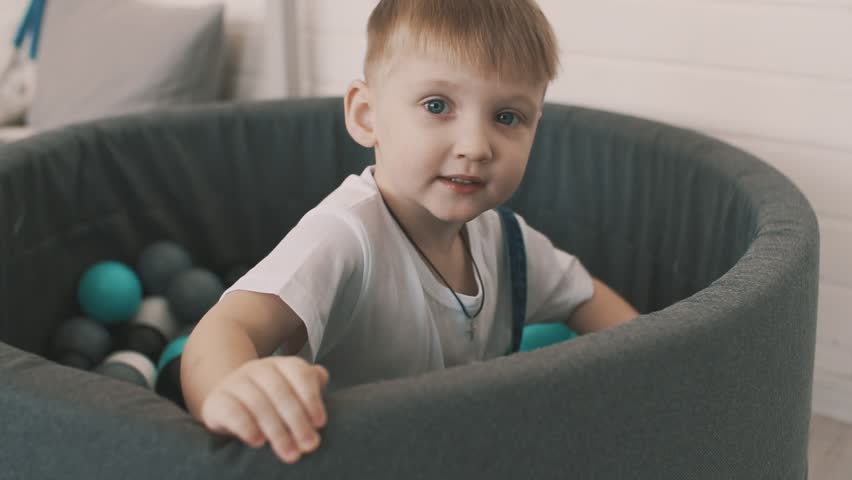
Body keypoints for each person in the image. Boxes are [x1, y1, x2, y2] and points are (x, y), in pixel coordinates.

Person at [181, 0, 638, 465]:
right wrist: (231, 386)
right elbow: (227, 326)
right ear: (366, 115)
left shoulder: (507, 242)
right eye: (437, 106)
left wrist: (648, 368)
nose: (476, 147)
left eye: (507, 117)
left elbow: (587, 298)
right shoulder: (345, 236)